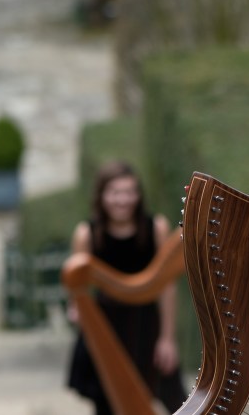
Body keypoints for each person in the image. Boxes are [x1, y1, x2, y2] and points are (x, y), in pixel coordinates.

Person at [66, 161, 187, 414]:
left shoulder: (156, 227)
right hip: (105, 327)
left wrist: (167, 339)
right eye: (115, 192)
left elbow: (166, 287)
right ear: (102, 195)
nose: (123, 200)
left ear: (139, 195)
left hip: (147, 325)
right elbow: (77, 287)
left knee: (177, 400)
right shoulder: (87, 234)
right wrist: (76, 308)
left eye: (130, 191)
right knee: (107, 404)